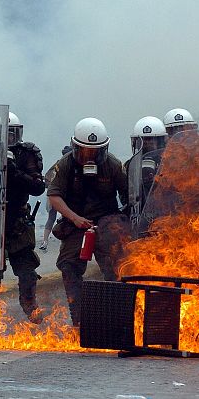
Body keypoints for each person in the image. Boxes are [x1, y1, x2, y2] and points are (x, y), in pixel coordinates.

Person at [47, 117, 129, 326]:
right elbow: (54, 196)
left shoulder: (113, 165)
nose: (89, 156)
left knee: (117, 268)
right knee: (68, 265)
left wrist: (122, 225)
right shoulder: (65, 164)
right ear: (75, 147)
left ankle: (116, 318)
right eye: (84, 151)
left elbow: (128, 195)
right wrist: (75, 219)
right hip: (76, 223)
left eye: (94, 151)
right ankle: (80, 320)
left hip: (106, 222)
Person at [3, 112, 46, 323]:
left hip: (17, 218)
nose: (8, 138)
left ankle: (30, 306)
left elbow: (38, 187)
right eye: (4, 134)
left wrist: (14, 173)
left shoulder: (26, 153)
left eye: (12, 134)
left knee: (27, 269)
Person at [124, 116, 168, 216]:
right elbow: (126, 194)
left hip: (166, 214)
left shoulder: (170, 163)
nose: (146, 144)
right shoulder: (129, 165)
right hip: (139, 216)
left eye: (150, 139)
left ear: (160, 142)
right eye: (142, 140)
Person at [40, 145, 72, 251]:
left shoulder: (58, 164)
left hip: (56, 195)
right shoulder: (63, 164)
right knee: (60, 217)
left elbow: (47, 178)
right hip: (60, 196)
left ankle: (46, 241)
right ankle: (47, 241)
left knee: (53, 218)